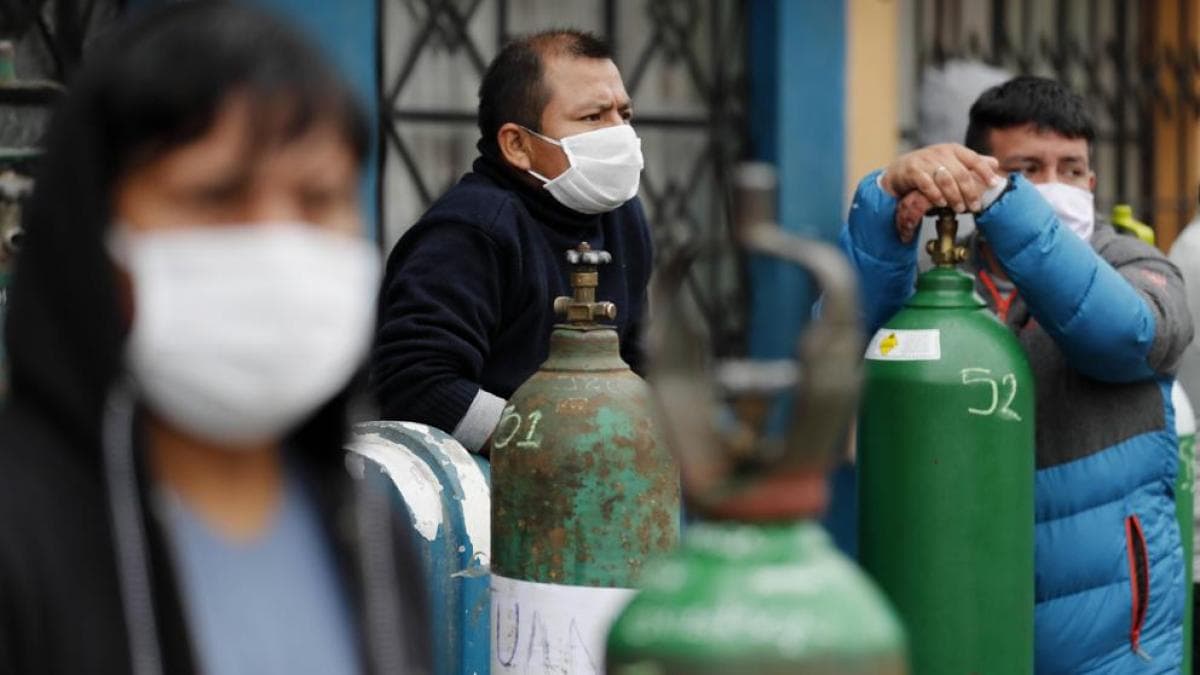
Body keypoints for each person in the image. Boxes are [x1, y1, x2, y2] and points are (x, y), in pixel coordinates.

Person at [0, 4, 429, 674]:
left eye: (318, 198)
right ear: (95, 234)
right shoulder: (21, 538)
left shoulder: (372, 536)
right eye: (217, 196)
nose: (278, 244)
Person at [842, 76, 1192, 672]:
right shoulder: (936, 282)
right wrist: (883, 207)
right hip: (961, 612)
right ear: (979, 173)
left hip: (1110, 639)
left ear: (1092, 182)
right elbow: (844, 346)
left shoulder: (1132, 264)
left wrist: (1010, 207)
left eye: (1071, 169)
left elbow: (1125, 337)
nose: (1052, 187)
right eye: (1026, 170)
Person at [370, 29, 652, 453]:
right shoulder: (472, 229)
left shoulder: (622, 216)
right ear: (517, 145)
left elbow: (637, 359)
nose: (619, 134)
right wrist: (552, 447)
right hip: (487, 477)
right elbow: (417, 383)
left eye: (624, 114)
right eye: (593, 118)